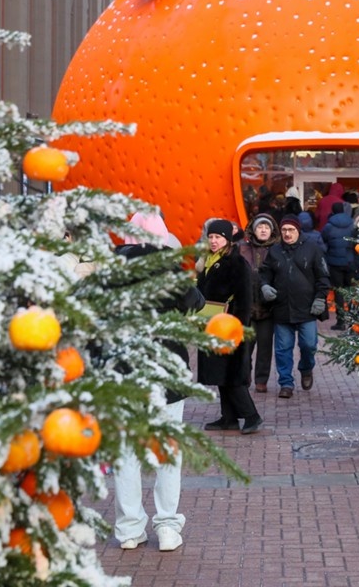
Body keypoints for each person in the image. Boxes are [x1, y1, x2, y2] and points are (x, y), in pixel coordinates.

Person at [111, 212, 198, 552]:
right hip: (166, 372)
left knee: (126, 453)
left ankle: (129, 529)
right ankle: (166, 526)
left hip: (122, 373)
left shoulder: (111, 270)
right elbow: (196, 303)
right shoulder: (169, 269)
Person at [197, 219, 262, 434]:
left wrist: (239, 327)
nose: (213, 241)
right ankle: (229, 417)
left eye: (218, 237)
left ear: (227, 239)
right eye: (211, 237)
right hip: (212, 325)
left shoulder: (236, 262)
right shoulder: (208, 260)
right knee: (219, 373)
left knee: (232, 374)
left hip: (229, 327)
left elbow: (245, 298)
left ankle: (252, 416)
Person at [259, 215, 330, 398]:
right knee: (283, 349)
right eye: (284, 230)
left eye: (291, 230)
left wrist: (320, 298)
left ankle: (306, 368)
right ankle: (286, 384)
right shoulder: (274, 251)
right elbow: (265, 273)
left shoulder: (312, 249)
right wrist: (265, 286)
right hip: (282, 308)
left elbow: (323, 277)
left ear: (298, 230)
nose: (287, 234)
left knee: (308, 345)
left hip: (307, 308)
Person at [237, 213, 279, 392]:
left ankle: (261, 380)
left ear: (271, 231)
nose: (263, 230)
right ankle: (244, 378)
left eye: (267, 227)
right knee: (245, 347)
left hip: (268, 309)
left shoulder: (277, 250)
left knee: (264, 347)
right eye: (260, 227)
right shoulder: (241, 248)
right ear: (253, 230)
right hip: (246, 306)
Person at [321, 200, 357, 330]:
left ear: (333, 211)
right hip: (350, 262)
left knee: (339, 293)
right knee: (351, 292)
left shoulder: (329, 226)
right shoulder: (352, 224)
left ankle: (341, 322)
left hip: (335, 263)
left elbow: (323, 240)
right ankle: (354, 321)